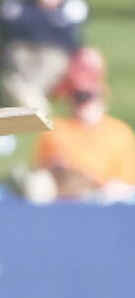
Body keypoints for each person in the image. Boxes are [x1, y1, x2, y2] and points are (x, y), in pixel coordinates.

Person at [19, 60, 135, 204]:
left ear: (102, 96)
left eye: (88, 95)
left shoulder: (120, 132)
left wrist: (94, 183)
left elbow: (126, 182)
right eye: (78, 96)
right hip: (60, 197)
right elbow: (41, 171)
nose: (84, 102)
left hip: (104, 198)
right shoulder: (55, 129)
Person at [0, 0, 88, 114]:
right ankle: (30, 99)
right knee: (17, 55)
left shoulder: (73, 6)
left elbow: (67, 35)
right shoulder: (17, 5)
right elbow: (3, 21)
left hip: (55, 53)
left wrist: (36, 20)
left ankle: (22, 93)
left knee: (50, 61)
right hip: (21, 50)